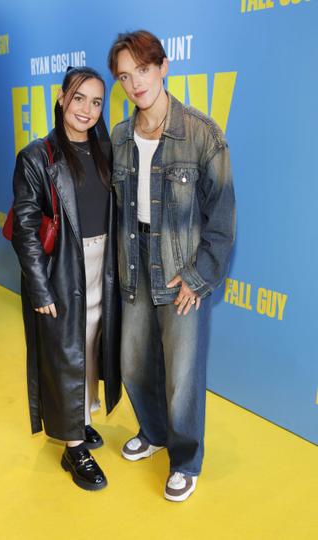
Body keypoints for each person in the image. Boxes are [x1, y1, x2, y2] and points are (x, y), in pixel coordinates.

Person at [108, 30, 235, 502]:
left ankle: (185, 459)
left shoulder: (203, 133)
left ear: (163, 67)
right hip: (133, 261)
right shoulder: (120, 136)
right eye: (125, 75)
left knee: (182, 374)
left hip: (181, 263)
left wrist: (200, 276)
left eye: (142, 69)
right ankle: (154, 431)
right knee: (134, 363)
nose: (135, 83)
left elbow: (221, 219)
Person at [11, 66, 121, 491]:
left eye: (96, 102)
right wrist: (39, 286)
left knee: (89, 348)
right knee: (63, 353)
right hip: (61, 271)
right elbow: (24, 227)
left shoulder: (105, 151)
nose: (87, 110)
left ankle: (81, 417)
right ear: (61, 98)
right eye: (79, 98)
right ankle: (74, 447)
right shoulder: (37, 156)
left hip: (102, 267)